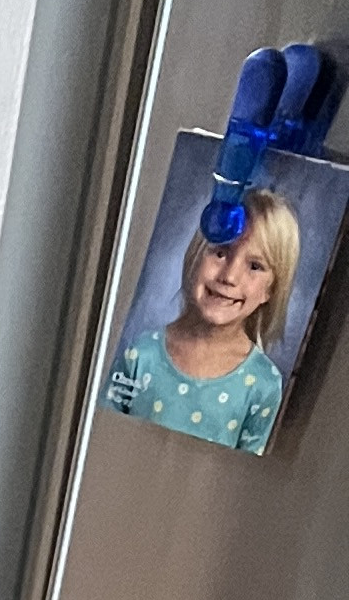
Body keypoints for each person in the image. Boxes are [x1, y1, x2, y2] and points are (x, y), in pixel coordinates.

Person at [104, 190, 299, 455]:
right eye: (220, 252)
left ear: (270, 291)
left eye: (254, 266)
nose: (229, 276)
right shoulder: (141, 353)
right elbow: (103, 440)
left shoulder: (263, 384)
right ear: (196, 257)